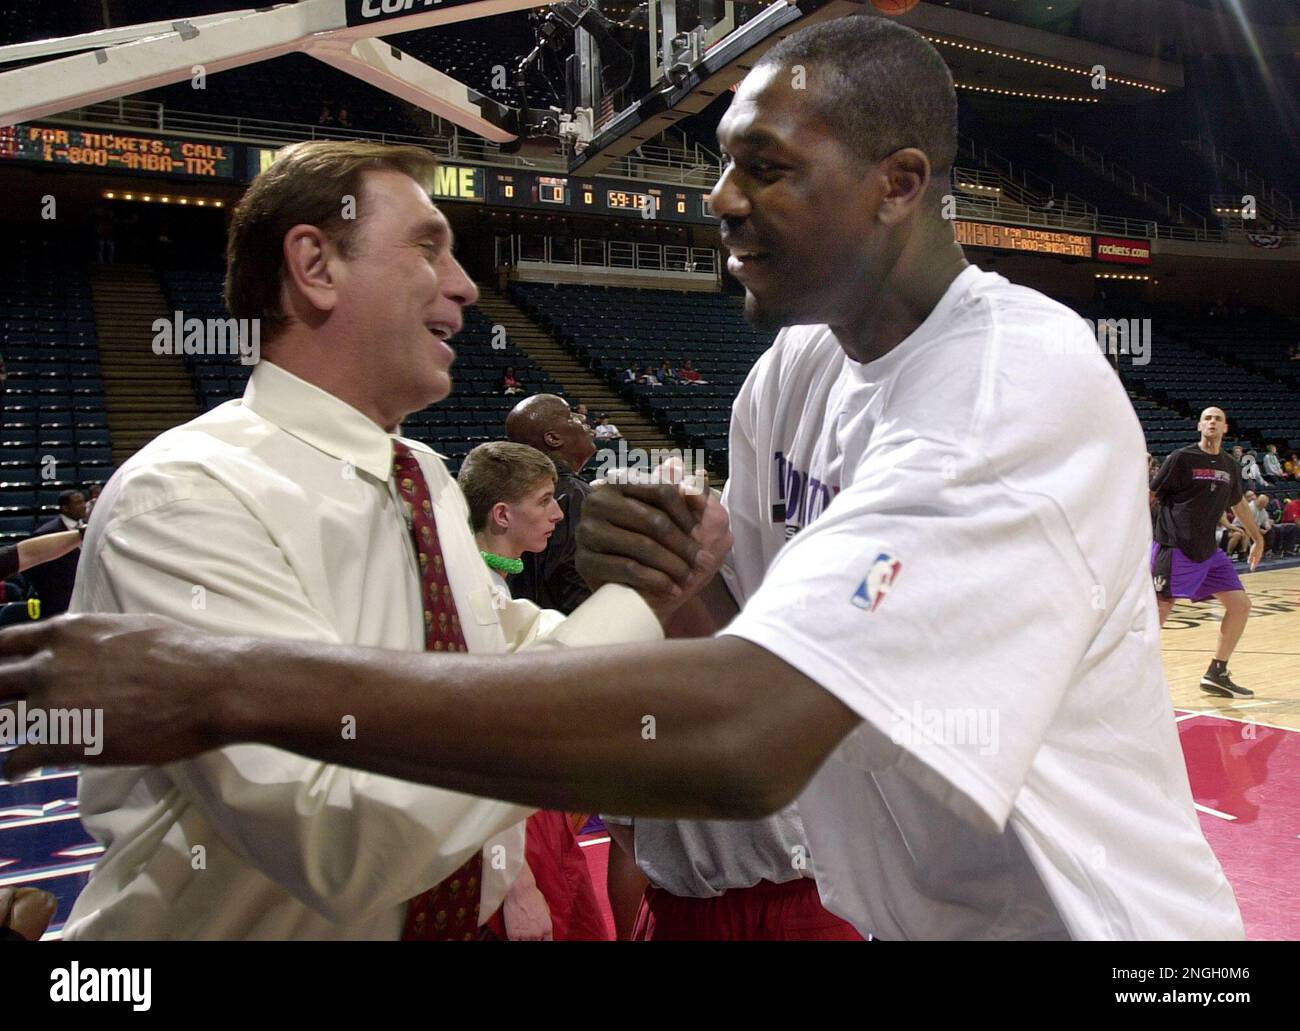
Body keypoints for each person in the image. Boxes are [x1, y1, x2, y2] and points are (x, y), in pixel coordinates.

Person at [4, 17, 1244, 941]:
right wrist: (667, 579)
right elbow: (751, 642)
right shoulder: (788, 379)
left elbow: (753, 730)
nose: (717, 198)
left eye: (764, 165)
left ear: (899, 184)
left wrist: (222, 684)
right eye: (721, 160)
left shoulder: (1008, 381)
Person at [39, 140, 667, 941]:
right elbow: (343, 827)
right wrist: (639, 605)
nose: (466, 284)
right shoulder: (183, 498)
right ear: (316, 264)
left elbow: (496, 652)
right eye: (427, 246)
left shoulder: (426, 477)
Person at [457, 441, 610, 941]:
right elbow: (476, 759)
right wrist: (517, 885)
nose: (559, 511)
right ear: (502, 514)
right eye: (545, 500)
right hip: (513, 826)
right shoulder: (469, 596)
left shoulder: (492, 586)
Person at [1151, 408, 1264, 698]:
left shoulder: (1229, 465)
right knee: (1158, 612)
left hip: (1209, 552)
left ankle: (1217, 672)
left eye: (1218, 419)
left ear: (1225, 428)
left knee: (1240, 606)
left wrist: (1257, 538)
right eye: (1208, 418)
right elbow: (1150, 495)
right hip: (1175, 546)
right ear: (1200, 425)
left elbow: (1238, 504)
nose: (1212, 422)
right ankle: (1124, 677)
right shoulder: (1181, 459)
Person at [504, 394, 598, 614]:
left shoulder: (515, 494)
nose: (582, 418)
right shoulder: (575, 495)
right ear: (553, 438)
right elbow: (577, 586)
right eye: (570, 416)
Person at [24, 490, 86, 617]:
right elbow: (32, 570)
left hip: (84, 596)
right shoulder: (46, 533)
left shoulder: (88, 528)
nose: (84, 505)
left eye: (84, 501)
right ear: (65, 508)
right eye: (78, 502)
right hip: (57, 603)